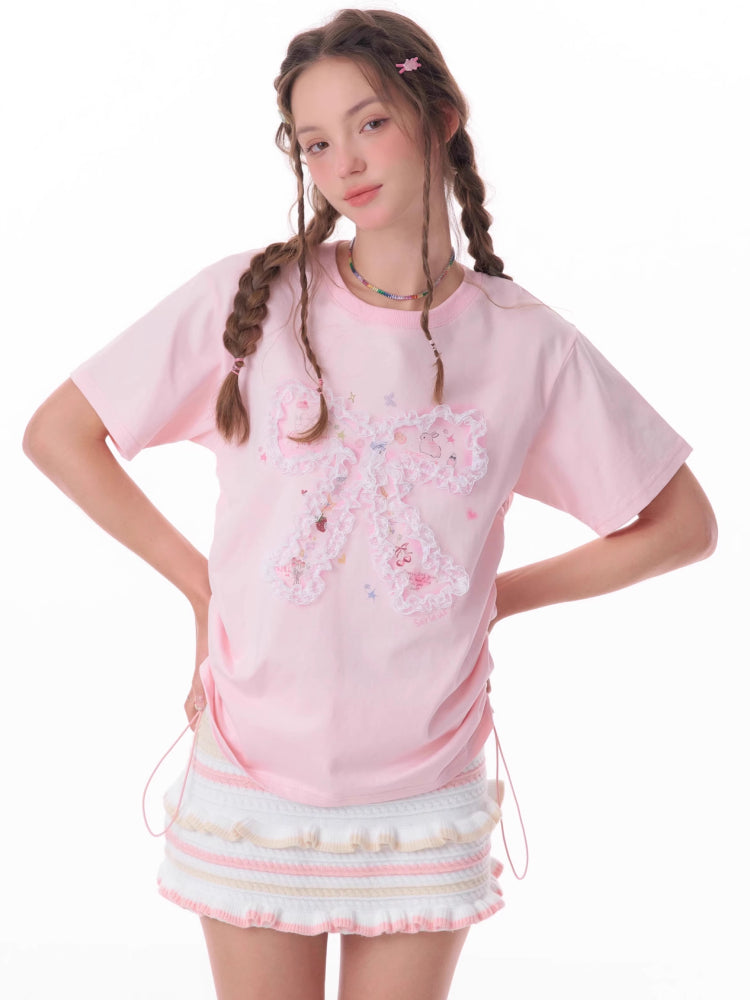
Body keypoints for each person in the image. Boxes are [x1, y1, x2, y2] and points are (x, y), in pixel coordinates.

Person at [22, 8, 717, 1000]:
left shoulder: (528, 344)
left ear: (440, 117)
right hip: (254, 766)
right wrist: (200, 587)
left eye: (370, 123)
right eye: (315, 142)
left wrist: (497, 599)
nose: (342, 161)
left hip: (422, 780)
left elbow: (682, 526)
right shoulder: (251, 302)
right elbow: (60, 433)